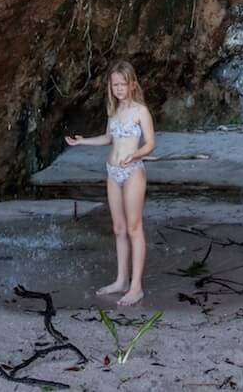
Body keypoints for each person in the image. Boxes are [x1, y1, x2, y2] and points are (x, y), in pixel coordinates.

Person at [64, 60, 156, 306]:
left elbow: (150, 144)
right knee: (118, 228)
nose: (118, 88)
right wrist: (82, 141)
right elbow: (108, 138)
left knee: (134, 227)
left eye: (122, 84)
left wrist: (134, 155)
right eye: (114, 85)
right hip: (112, 172)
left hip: (133, 171)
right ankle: (121, 280)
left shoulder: (140, 111)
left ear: (132, 84)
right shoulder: (113, 112)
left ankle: (136, 287)